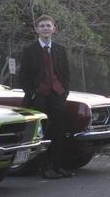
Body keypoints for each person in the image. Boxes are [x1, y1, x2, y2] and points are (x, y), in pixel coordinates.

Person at [17, 14, 73, 179]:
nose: (45, 28)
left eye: (48, 25)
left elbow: (66, 73)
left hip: (58, 94)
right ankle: (44, 168)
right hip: (39, 96)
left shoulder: (60, 50)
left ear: (54, 29)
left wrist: (64, 91)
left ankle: (57, 166)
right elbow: (23, 76)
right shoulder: (29, 50)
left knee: (58, 131)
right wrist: (32, 93)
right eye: (42, 26)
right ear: (36, 29)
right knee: (43, 132)